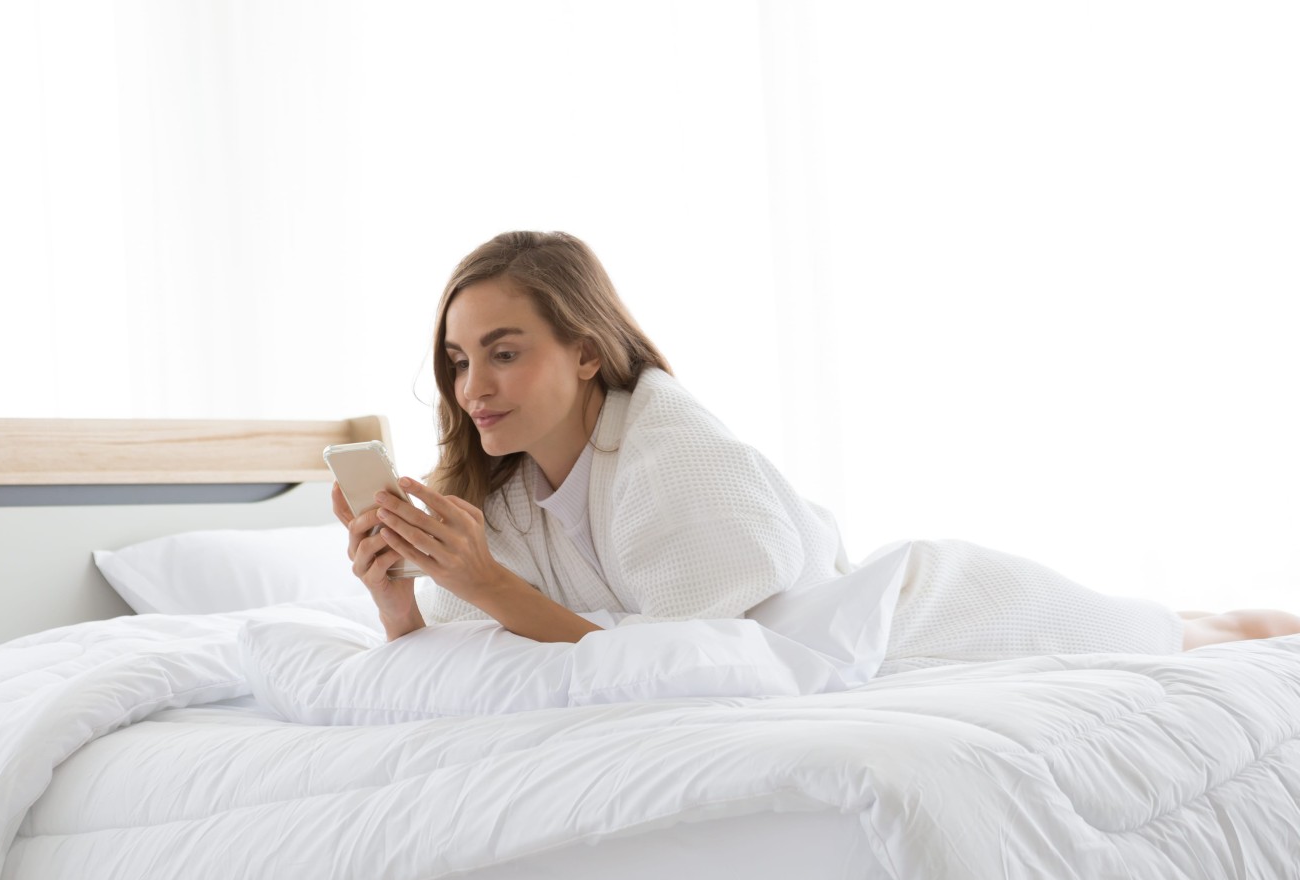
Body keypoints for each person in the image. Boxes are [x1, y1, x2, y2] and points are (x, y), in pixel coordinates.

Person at [331, 230, 1300, 667]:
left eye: (505, 352)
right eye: (458, 360)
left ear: (586, 353)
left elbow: (671, 662)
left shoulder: (675, 448)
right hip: (853, 650)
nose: (473, 388)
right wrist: (398, 597)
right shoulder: (493, 498)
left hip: (923, 615)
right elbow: (490, 660)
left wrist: (493, 588)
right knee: (1186, 624)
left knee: (1193, 633)